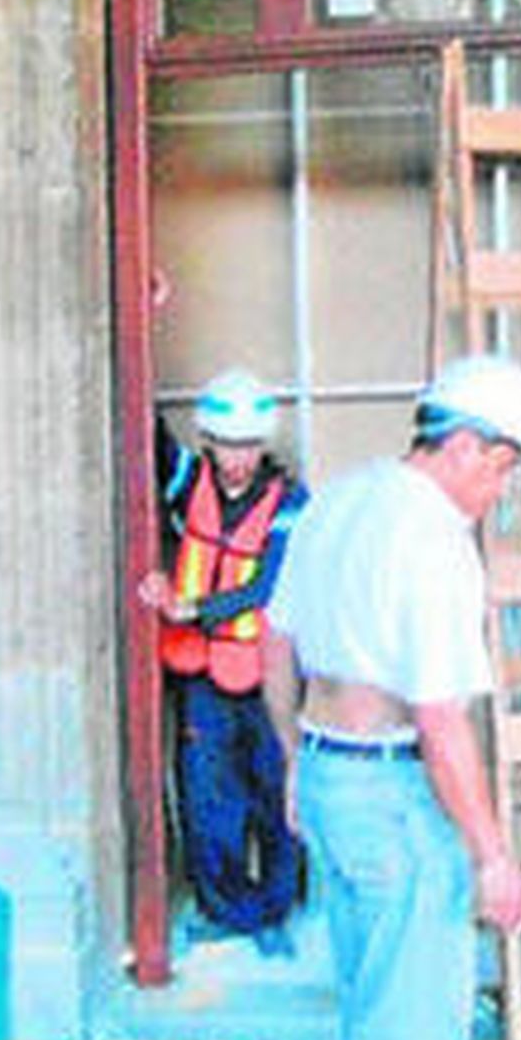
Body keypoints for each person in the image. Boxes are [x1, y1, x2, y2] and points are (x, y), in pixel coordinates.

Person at [263, 353, 521, 1040]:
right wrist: (493, 852)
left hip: (332, 773)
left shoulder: (338, 501)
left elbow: (277, 642)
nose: (499, 489)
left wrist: (293, 762)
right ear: (461, 445)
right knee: (411, 1009)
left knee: (373, 988)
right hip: (390, 788)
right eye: (500, 465)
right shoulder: (433, 542)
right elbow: (440, 723)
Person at [139, 368, 308, 953]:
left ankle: (276, 910)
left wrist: (194, 607)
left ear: (263, 444)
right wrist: (146, 310)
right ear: (208, 440)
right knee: (209, 798)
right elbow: (147, 430)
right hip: (202, 677)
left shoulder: (291, 502)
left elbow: (268, 584)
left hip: (266, 675)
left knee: (275, 794)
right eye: (227, 444)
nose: (237, 458)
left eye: (248, 445)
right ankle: (227, 909)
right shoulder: (190, 482)